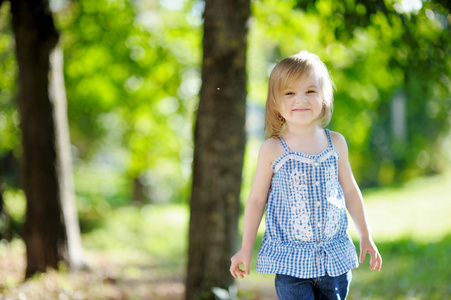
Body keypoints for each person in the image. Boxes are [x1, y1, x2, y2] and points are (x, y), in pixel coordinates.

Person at [229, 51, 382, 299]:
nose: (300, 99)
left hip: (334, 260)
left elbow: (351, 190)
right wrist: (246, 249)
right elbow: (257, 199)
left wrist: (366, 235)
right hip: (291, 262)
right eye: (289, 93)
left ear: (324, 98)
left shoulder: (336, 144)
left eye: (310, 91)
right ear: (276, 103)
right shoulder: (273, 149)